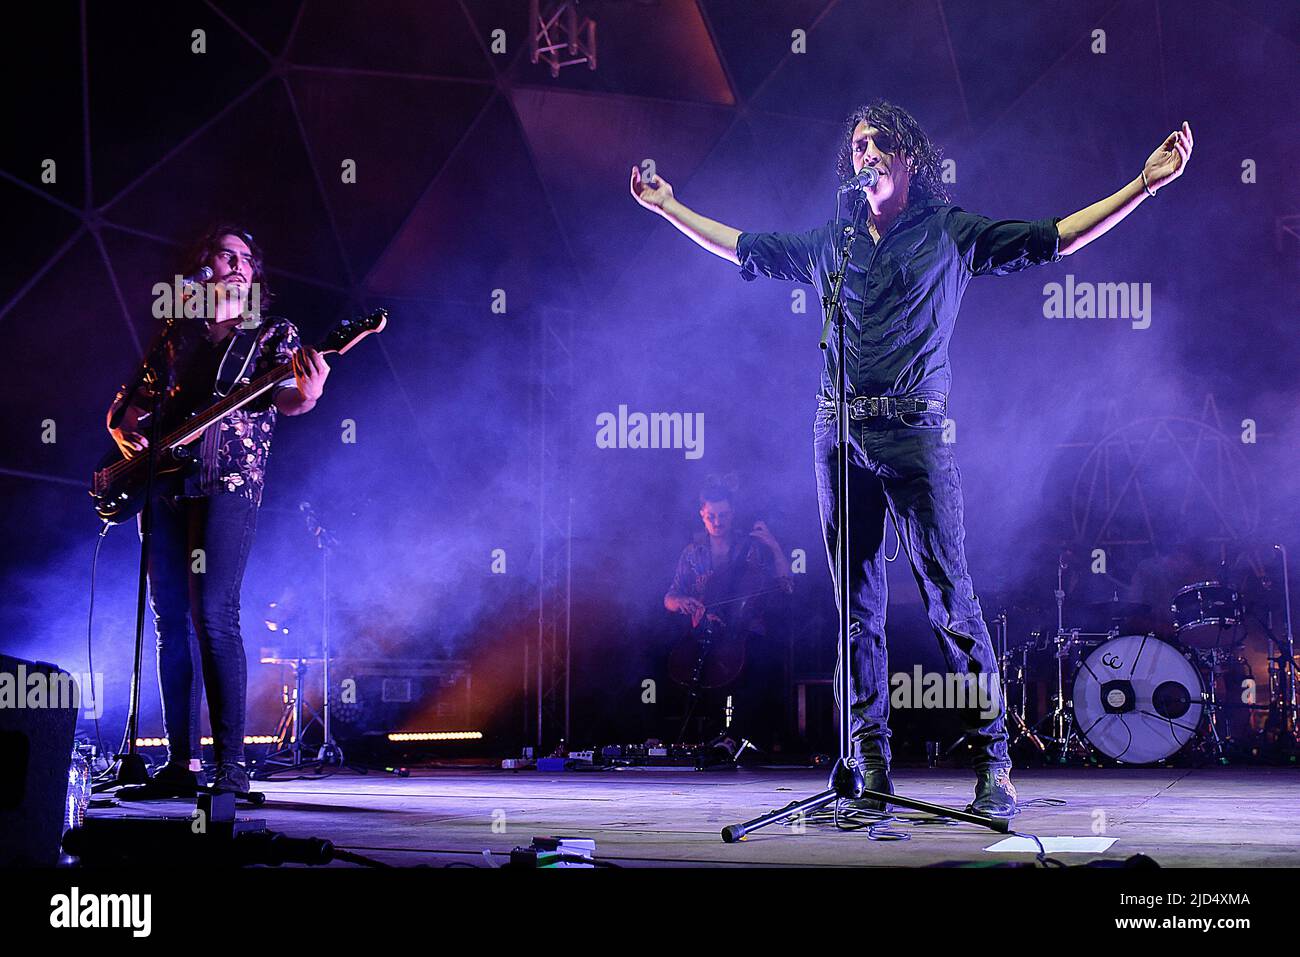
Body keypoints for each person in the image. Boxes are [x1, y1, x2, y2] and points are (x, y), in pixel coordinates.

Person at [631, 99, 1194, 816]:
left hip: (916, 436)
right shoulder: (833, 243)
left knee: (948, 599)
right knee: (853, 610)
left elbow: (1054, 239)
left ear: (908, 158)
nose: (864, 153)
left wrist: (1142, 185)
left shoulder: (949, 233)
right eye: (857, 144)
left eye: (878, 144)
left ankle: (993, 762)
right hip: (836, 436)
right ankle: (869, 766)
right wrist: (669, 206)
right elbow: (746, 246)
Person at [107, 225, 330, 796]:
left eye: (245, 258)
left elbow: (290, 398)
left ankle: (229, 766)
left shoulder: (270, 334)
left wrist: (309, 391)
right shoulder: (177, 336)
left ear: (255, 275)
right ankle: (180, 765)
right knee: (169, 624)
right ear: (203, 266)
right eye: (223, 255)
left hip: (226, 480)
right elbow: (130, 410)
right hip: (162, 488)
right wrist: (127, 432)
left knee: (213, 613)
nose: (234, 264)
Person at [664, 475, 794, 752]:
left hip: (744, 632)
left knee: (757, 663)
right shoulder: (693, 553)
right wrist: (684, 601)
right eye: (711, 515)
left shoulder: (750, 549)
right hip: (702, 634)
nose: (717, 521)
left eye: (723, 515)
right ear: (702, 514)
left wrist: (774, 546)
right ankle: (686, 740)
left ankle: (736, 737)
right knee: (676, 665)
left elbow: (786, 586)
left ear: (732, 514)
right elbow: (670, 597)